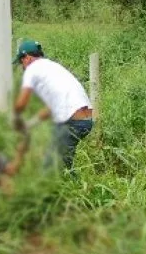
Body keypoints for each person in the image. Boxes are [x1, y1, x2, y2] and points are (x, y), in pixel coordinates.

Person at [13, 39, 93, 172]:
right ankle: (74, 187)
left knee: (51, 170)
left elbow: (21, 103)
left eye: (21, 62)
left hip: (72, 122)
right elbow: (52, 107)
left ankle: (66, 187)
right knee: (60, 164)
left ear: (27, 58)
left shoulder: (32, 69)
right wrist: (30, 124)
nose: (23, 67)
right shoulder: (52, 67)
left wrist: (14, 119)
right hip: (84, 120)